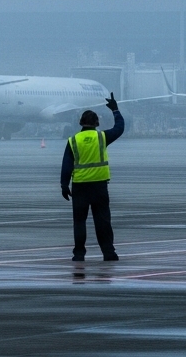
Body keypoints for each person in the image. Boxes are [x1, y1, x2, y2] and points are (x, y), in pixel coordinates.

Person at [61, 93, 125, 262]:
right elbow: (119, 128)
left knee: (79, 222)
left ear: (80, 122)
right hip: (99, 186)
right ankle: (108, 253)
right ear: (97, 123)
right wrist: (115, 110)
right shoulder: (102, 137)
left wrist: (64, 185)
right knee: (103, 221)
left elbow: (67, 164)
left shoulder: (73, 140)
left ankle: (79, 254)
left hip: (80, 186)